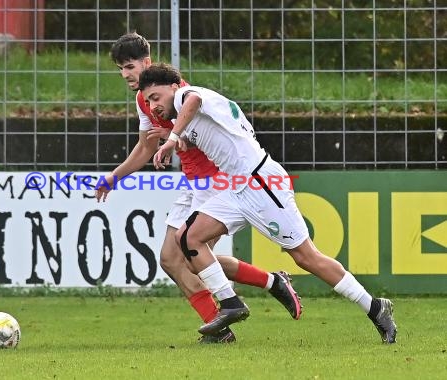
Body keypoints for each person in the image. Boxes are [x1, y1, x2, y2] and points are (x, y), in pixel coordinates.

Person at [138, 62, 398, 344]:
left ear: (175, 88)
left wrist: (173, 135)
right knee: (188, 238)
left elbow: (193, 100)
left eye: (156, 97)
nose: (153, 106)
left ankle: (375, 307)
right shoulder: (192, 114)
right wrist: (176, 136)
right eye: (148, 101)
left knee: (306, 257)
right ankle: (230, 303)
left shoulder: (189, 95)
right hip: (236, 186)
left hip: (261, 183)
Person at [95, 32, 302, 343]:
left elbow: (203, 131)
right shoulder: (144, 100)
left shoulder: (175, 94)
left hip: (219, 182)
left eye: (128, 66)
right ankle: (256, 296)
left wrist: (177, 138)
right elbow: (144, 147)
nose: (124, 75)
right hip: (193, 183)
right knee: (171, 259)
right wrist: (115, 176)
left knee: (189, 254)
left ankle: (247, 302)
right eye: (120, 69)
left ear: (146, 63)